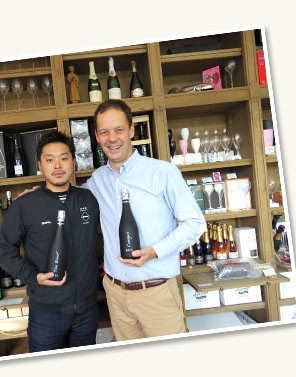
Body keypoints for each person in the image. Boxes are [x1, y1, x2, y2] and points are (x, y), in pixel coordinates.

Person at [86, 99, 206, 341]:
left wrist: (155, 251)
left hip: (156, 292)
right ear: (97, 137)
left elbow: (195, 223)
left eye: (119, 130)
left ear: (131, 130)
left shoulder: (163, 172)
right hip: (116, 293)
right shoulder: (96, 181)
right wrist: (39, 195)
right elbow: (69, 201)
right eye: (104, 132)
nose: (112, 138)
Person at [0, 131, 100, 352]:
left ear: (73, 162)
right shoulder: (24, 206)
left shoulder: (88, 199)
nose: (57, 166)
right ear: (40, 165)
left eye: (64, 158)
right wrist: (33, 276)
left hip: (87, 310)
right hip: (46, 315)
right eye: (50, 160)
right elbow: (4, 251)